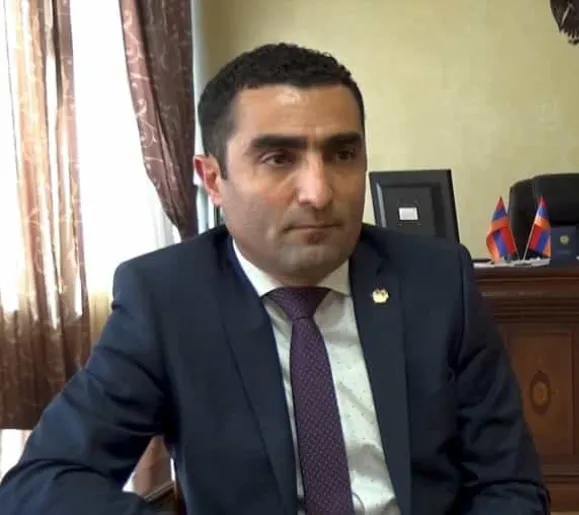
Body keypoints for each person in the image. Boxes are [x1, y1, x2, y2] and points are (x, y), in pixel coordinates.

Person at [0, 43, 549, 514]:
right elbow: (42, 482)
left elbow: (509, 485)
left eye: (342, 153)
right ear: (212, 178)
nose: (319, 192)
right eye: (278, 158)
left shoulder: (437, 282)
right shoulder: (166, 299)